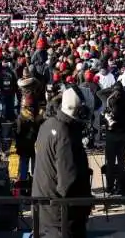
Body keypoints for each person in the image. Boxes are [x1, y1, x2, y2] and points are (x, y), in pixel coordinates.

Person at [32, 87, 92, 238]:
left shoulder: (48, 124)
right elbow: (67, 182)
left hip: (45, 211)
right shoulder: (66, 134)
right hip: (62, 219)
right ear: (80, 110)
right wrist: (84, 206)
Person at [97, 81, 125, 195]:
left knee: (110, 163)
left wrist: (111, 89)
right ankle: (121, 186)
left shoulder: (109, 100)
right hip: (123, 135)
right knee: (121, 163)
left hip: (111, 135)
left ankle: (110, 187)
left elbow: (99, 93)